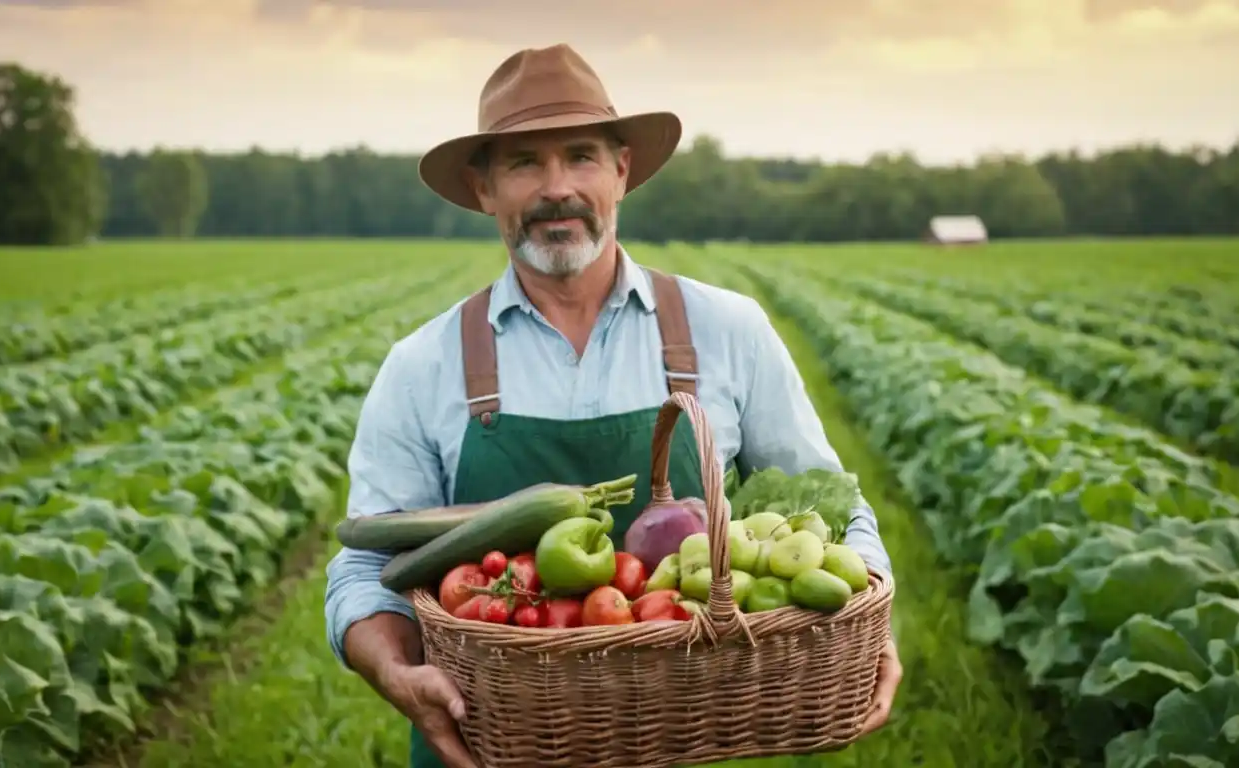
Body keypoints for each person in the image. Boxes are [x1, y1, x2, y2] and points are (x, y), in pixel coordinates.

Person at [323, 43, 901, 768]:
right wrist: (397, 674)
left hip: (698, 736)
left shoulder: (729, 330)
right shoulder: (423, 365)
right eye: (523, 163)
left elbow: (832, 505)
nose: (555, 187)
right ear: (483, 188)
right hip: (491, 741)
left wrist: (873, 624)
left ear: (622, 170)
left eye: (581, 156)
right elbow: (363, 569)